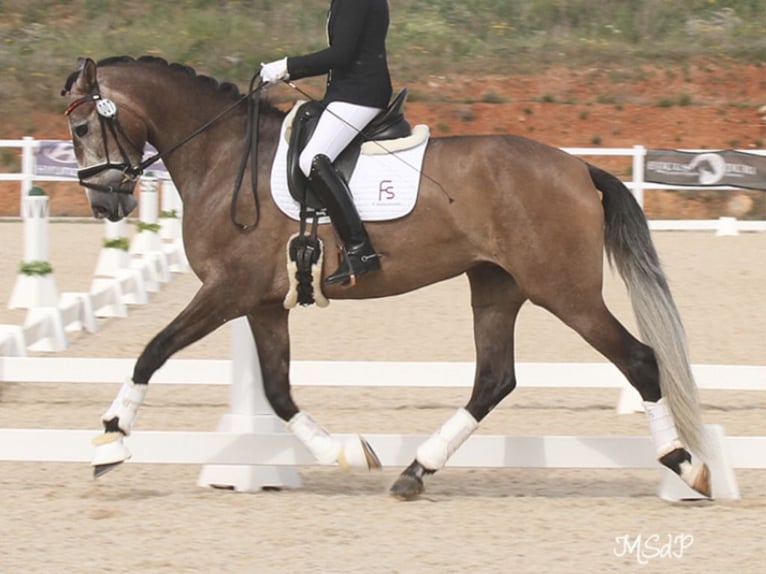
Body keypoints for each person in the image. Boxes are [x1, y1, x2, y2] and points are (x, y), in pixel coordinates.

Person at [260, 0, 393, 286]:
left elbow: (341, 55)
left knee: (312, 159)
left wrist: (287, 66)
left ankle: (360, 250)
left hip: (360, 94)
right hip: (348, 92)